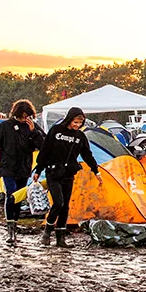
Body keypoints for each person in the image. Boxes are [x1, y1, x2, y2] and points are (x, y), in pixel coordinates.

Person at [0, 99, 45, 244]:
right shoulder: (5, 127)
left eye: (27, 116)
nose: (24, 119)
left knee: (19, 197)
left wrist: (34, 132)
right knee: (11, 193)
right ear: (16, 114)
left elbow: (43, 146)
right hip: (7, 166)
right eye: (22, 116)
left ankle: (15, 224)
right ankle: (10, 231)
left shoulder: (33, 127)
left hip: (24, 167)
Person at [38, 106, 99, 248]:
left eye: (80, 123)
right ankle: (47, 231)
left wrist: (96, 170)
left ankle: (61, 238)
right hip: (53, 172)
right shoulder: (56, 131)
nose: (77, 125)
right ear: (69, 119)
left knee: (65, 206)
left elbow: (87, 155)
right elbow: (45, 150)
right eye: (75, 122)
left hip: (69, 174)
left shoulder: (80, 137)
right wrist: (38, 169)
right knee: (58, 203)